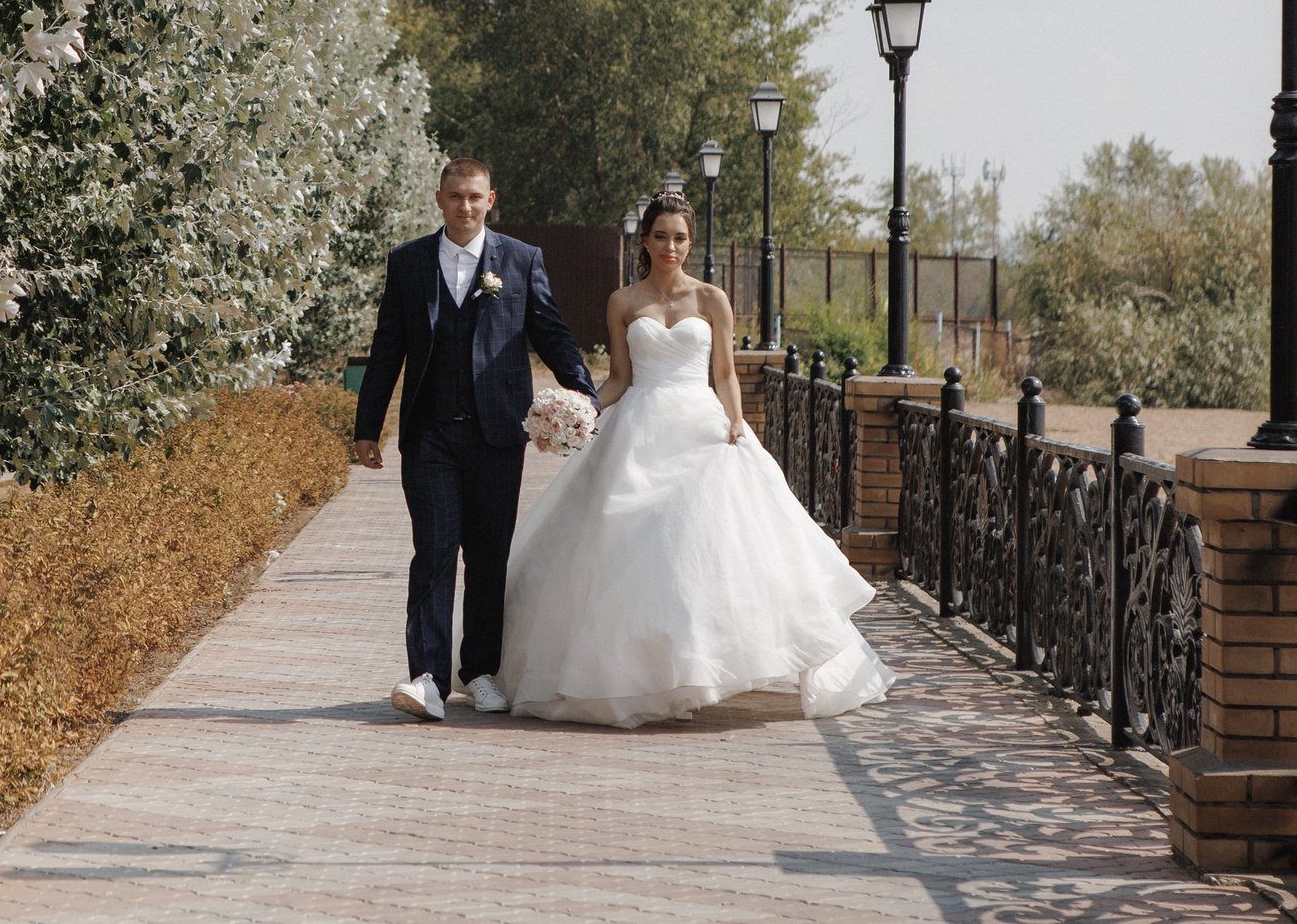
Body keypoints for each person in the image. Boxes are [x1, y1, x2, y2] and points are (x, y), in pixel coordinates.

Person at [494, 189, 893, 727]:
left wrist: (736, 421)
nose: (670, 246)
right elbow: (619, 378)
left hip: (699, 428)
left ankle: (694, 668)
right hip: (637, 430)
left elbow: (724, 374)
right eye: (661, 236)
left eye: (680, 238)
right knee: (630, 546)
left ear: (691, 242)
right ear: (645, 240)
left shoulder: (711, 299)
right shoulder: (622, 301)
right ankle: (643, 674)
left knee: (702, 547)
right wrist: (582, 410)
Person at [352, 158, 599, 723]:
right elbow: (388, 346)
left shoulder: (521, 259)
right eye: (455, 196)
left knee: (489, 557)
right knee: (434, 553)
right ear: (440, 199)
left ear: (491, 200)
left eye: (475, 196)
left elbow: (550, 332)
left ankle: (480, 671)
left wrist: (585, 395)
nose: (465, 205)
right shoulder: (409, 262)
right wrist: (368, 426)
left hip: (497, 434)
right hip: (429, 434)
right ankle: (427, 679)